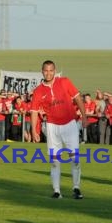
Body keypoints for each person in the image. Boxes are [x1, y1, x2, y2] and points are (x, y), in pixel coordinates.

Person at [30, 60, 87, 199]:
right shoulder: (38, 91)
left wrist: (84, 116)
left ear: (55, 71)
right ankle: (56, 191)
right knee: (55, 161)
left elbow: (78, 98)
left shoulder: (65, 82)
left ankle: (76, 188)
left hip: (70, 124)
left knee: (75, 158)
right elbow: (34, 111)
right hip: (52, 126)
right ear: (42, 71)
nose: (48, 73)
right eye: (46, 70)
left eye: (51, 70)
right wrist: (34, 130)